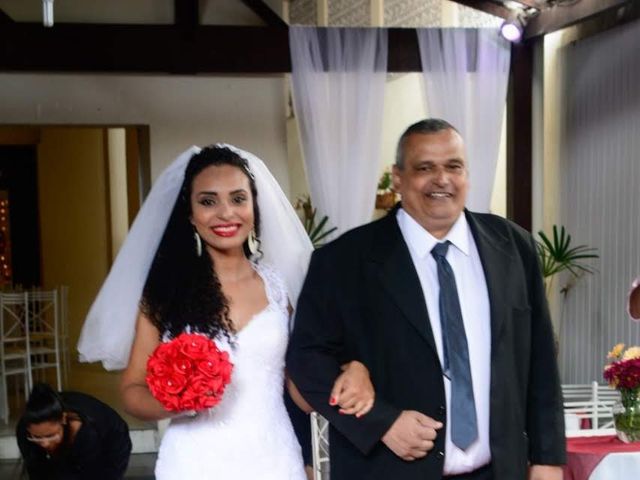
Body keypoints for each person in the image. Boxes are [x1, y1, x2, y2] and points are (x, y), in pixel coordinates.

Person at [287, 119, 566, 480]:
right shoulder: (343, 261)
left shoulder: (514, 248)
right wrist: (381, 423)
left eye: (453, 166)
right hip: (387, 470)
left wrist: (547, 460)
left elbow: (540, 361)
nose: (442, 179)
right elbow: (307, 359)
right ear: (398, 177)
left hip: (499, 471)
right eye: (424, 168)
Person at [77, 144, 372, 479]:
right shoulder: (165, 295)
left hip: (273, 457)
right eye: (207, 201)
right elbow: (132, 390)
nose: (225, 213)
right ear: (189, 214)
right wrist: (180, 402)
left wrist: (351, 371)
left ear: (255, 207)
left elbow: (300, 389)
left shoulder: (280, 291)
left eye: (238, 198)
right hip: (193, 462)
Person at [16, 382, 131, 480]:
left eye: (51, 436)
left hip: (112, 442)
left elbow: (91, 474)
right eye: (37, 437)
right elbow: (36, 470)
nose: (45, 443)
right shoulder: (24, 429)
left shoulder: (85, 431)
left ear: (64, 419)